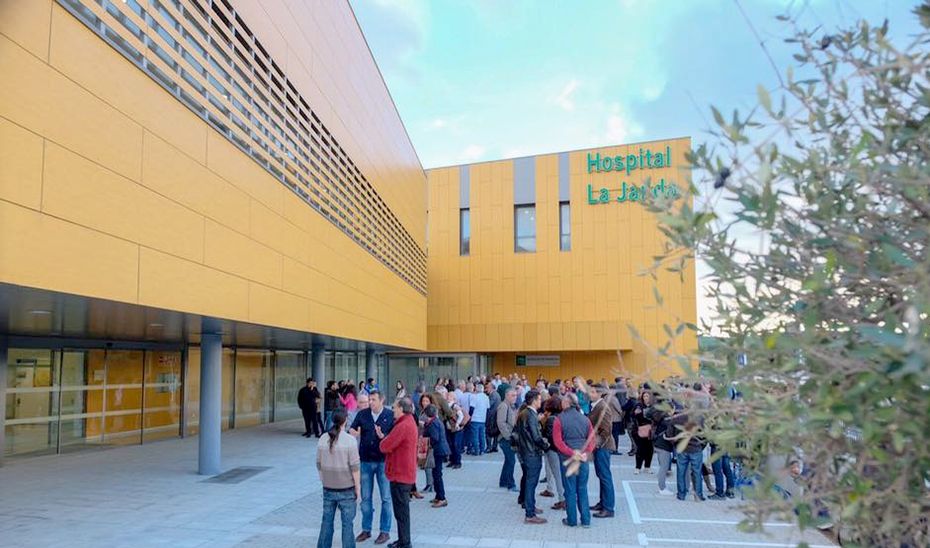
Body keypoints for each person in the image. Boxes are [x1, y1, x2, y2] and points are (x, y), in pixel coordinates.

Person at [349, 391, 394, 545]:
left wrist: (384, 437)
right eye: (369, 400)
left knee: (386, 498)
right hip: (366, 461)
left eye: (373, 399)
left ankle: (384, 531)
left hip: (383, 462)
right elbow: (352, 429)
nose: (370, 402)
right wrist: (353, 433)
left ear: (382, 400)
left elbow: (395, 437)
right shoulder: (362, 414)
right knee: (366, 498)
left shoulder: (390, 415)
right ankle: (366, 529)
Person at [316, 409, 360, 548]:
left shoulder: (323, 438)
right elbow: (355, 467)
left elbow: (318, 463)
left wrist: (324, 480)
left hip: (328, 487)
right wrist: (357, 488)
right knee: (347, 524)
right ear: (345, 420)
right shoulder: (350, 440)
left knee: (326, 521)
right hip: (346, 488)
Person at [378, 398, 418, 548]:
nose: (393, 410)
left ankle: (405, 542)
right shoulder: (408, 422)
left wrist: (384, 440)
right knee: (402, 512)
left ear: (401, 409)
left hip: (400, 474)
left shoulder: (403, 425)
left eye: (394, 408)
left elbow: (385, 445)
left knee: (401, 513)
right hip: (403, 473)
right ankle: (403, 540)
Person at [553, 393, 595, 528]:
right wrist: (585, 452)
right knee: (582, 488)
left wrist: (572, 453)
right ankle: (586, 520)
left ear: (566, 403)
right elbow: (592, 440)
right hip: (583, 459)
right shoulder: (585, 419)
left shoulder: (559, 419)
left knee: (570, 490)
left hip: (568, 459)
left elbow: (558, 442)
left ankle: (571, 520)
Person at [513, 389, 548, 524]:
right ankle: (530, 514)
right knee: (531, 483)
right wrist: (546, 446)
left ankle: (531, 507)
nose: (541, 401)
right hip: (532, 453)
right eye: (539, 399)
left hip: (526, 452)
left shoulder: (524, 413)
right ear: (533, 401)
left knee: (529, 482)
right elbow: (536, 437)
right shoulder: (530, 415)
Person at [587, 384, 616, 518]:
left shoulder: (602, 407)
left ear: (599, 394)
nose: (590, 394)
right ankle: (603, 503)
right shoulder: (596, 406)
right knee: (601, 475)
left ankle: (608, 508)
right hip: (600, 447)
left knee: (605, 476)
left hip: (603, 447)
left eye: (592, 392)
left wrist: (598, 445)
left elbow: (606, 431)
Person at [672, 410, 706, 501]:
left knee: (681, 472)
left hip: (682, 448)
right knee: (697, 473)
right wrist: (701, 446)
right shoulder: (700, 418)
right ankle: (698, 495)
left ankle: (681, 494)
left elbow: (673, 433)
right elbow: (705, 435)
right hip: (696, 448)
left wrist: (676, 445)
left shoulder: (678, 417)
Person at [646, 397, 676, 496]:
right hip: (663, 446)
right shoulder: (667, 420)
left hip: (658, 444)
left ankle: (662, 486)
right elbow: (670, 434)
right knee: (664, 467)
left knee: (663, 466)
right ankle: (662, 488)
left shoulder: (661, 417)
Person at [421, 404, 450, 507]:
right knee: (436, 473)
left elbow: (434, 438)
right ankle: (438, 496)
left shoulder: (433, 423)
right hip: (440, 450)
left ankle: (442, 498)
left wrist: (427, 444)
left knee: (437, 475)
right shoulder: (435, 421)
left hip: (438, 451)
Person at [539, 396, 566, 509]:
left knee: (557, 475)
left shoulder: (551, 419)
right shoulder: (562, 416)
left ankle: (562, 500)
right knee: (561, 475)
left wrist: (541, 424)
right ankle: (564, 498)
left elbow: (548, 436)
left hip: (553, 451)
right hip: (561, 450)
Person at [496, 388, 519, 491]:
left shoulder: (510, 406)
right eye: (512, 395)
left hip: (508, 437)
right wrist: (509, 437)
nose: (515, 397)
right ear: (506, 396)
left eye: (515, 395)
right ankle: (511, 484)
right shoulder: (503, 406)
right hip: (505, 438)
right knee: (511, 461)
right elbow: (501, 423)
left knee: (508, 460)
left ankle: (503, 481)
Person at [631, 390, 656, 474]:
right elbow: (633, 416)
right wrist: (637, 414)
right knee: (640, 449)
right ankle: (637, 467)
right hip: (640, 429)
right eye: (644, 396)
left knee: (650, 449)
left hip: (650, 430)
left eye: (648, 396)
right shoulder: (639, 405)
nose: (646, 398)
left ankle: (647, 467)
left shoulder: (654, 406)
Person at [444, 391, 466, 469]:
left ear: (453, 398)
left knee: (456, 445)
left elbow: (461, 415)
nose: (447, 397)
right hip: (449, 428)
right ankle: (452, 460)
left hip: (456, 429)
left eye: (449, 396)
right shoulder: (446, 405)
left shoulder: (455, 406)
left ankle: (458, 462)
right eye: (447, 396)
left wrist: (457, 424)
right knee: (451, 444)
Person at [467, 383, 490, 455]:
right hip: (483, 419)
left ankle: (476, 450)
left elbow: (471, 408)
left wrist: (469, 416)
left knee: (475, 435)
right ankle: (482, 450)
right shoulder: (486, 397)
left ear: (476, 389)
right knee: (482, 435)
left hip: (475, 418)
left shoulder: (474, 397)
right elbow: (488, 409)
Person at [485, 382, 502, 453]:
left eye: (487, 388)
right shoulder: (497, 394)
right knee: (495, 432)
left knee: (488, 431)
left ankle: (489, 447)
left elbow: (489, 405)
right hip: (496, 415)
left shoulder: (493, 395)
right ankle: (495, 446)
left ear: (491, 388)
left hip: (491, 416)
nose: (486, 389)